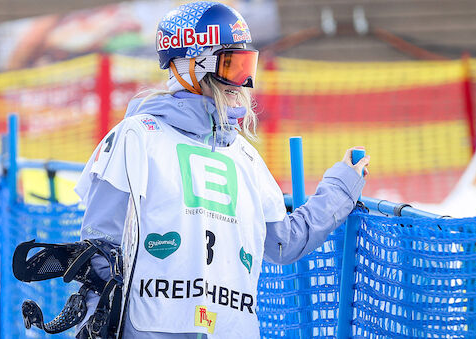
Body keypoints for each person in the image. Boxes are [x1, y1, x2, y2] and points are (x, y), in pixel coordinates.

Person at [74, 1, 370, 338]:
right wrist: (97, 321)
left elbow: (283, 243)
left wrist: (341, 187)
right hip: (150, 329)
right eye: (232, 66)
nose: (242, 83)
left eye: (247, 67)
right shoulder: (137, 137)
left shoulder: (243, 155)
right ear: (191, 66)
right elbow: (99, 249)